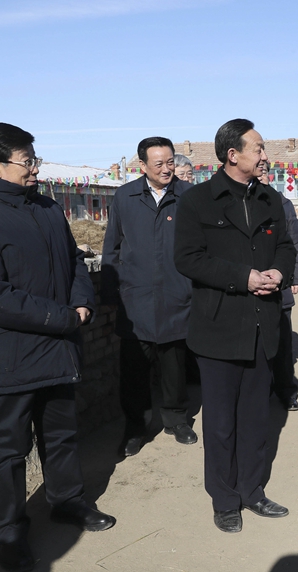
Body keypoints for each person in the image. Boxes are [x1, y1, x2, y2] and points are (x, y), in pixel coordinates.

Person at [0, 123, 115, 571]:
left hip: (57, 350)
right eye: (27, 161)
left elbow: (74, 261)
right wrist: (63, 317)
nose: (35, 169)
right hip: (9, 356)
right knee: (8, 451)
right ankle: (10, 531)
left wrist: (82, 302)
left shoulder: (47, 208)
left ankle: (68, 501)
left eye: (34, 159)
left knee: (61, 435)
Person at [174, 119, 295, 534]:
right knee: (221, 423)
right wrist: (243, 277)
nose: (265, 156)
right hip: (218, 327)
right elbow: (188, 258)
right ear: (232, 155)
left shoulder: (270, 198)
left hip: (263, 324)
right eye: (258, 149)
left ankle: (252, 490)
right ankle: (225, 500)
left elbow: (285, 246)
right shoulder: (197, 201)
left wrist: (279, 271)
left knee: (256, 418)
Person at [102, 137, 196, 457]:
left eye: (170, 162)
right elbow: (112, 247)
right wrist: (109, 292)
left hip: (176, 292)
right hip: (135, 296)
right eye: (159, 164)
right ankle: (136, 426)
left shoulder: (188, 196)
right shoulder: (125, 197)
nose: (167, 169)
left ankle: (176, 419)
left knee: (174, 364)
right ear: (142, 166)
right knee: (135, 369)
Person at [258, 164, 298, 411]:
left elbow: (297, 241)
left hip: (280, 285)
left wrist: (297, 277)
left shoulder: (283, 203)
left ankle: (286, 390)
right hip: (250, 285)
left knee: (283, 343)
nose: (261, 176)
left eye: (264, 171)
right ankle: (260, 390)